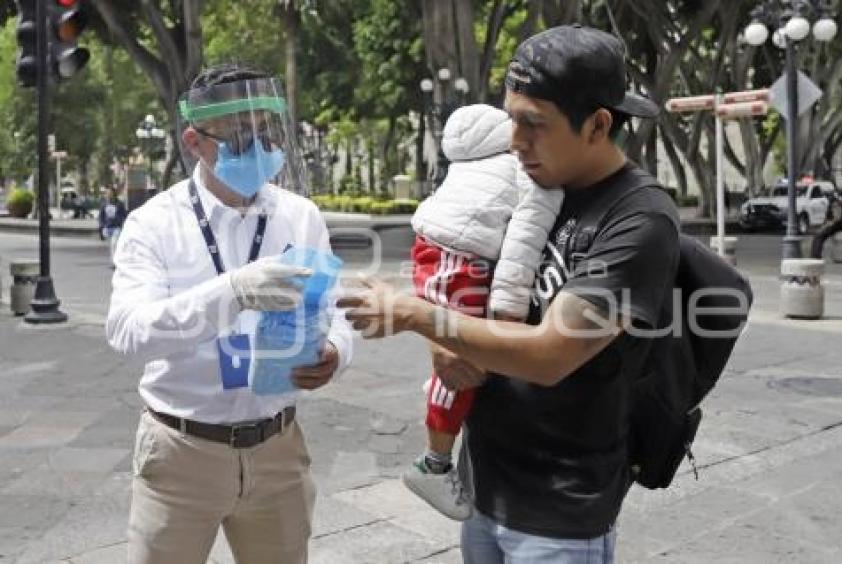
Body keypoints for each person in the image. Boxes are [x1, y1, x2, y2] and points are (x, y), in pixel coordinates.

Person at [341, 25, 679, 563]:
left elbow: (549, 355)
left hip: (560, 511)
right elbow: (462, 288)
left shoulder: (638, 218)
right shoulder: (522, 181)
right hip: (485, 488)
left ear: (597, 124)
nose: (515, 140)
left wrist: (415, 315)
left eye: (534, 124)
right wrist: (443, 342)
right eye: (511, 118)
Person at [106, 64, 353, 564]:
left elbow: (335, 308)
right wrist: (233, 292)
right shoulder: (153, 225)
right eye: (241, 136)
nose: (259, 149)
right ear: (195, 142)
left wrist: (336, 351)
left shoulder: (298, 215)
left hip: (277, 447)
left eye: (266, 133)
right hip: (181, 451)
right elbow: (129, 332)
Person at [405, 103, 563, 520]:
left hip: (433, 252)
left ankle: (438, 450)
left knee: (457, 353)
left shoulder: (466, 164)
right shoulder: (526, 170)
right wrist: (508, 310)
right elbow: (520, 245)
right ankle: (433, 463)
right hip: (465, 262)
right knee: (462, 361)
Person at [811, 190, 842, 258]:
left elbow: (837, 218)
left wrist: (827, 224)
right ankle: (816, 255)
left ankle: (816, 256)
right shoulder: (840, 204)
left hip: (837, 225)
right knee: (819, 235)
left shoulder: (836, 203)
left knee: (819, 236)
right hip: (839, 225)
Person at [98, 187, 127, 266]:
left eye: (110, 193)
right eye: (107, 193)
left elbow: (125, 214)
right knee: (111, 246)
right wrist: (101, 227)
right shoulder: (104, 204)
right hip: (107, 228)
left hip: (116, 227)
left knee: (114, 244)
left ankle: (114, 262)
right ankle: (115, 260)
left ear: (114, 194)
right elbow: (101, 216)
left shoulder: (119, 203)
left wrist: (122, 223)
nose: (108, 195)